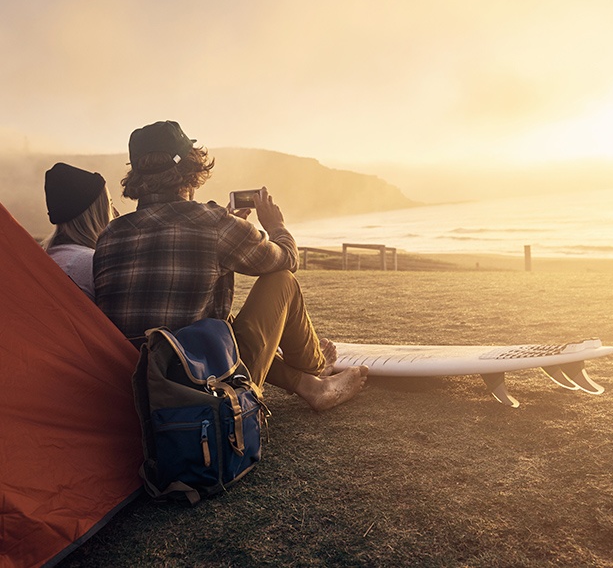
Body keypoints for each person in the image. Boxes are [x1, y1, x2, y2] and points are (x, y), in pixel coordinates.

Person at [94, 120, 368, 411]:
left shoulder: (110, 234)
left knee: (219, 320)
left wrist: (226, 225)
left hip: (137, 391)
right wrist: (276, 226)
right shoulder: (213, 223)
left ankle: (308, 385)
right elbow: (287, 258)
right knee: (281, 281)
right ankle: (317, 366)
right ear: (192, 167)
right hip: (208, 388)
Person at [42, 163, 116, 301]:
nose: (114, 213)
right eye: (109, 204)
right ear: (97, 213)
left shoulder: (49, 257)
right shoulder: (90, 263)